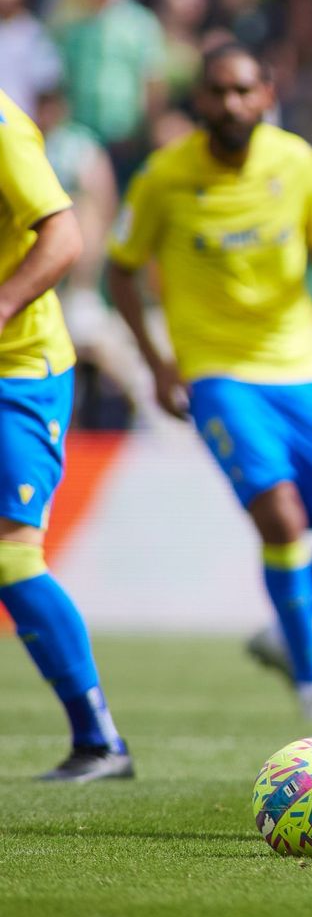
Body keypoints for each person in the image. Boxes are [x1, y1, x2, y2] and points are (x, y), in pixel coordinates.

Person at [106, 43, 312, 726]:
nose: (230, 104)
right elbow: (121, 267)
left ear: (266, 94)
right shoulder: (163, 176)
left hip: (299, 366)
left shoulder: (295, 160)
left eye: (242, 92)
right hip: (219, 373)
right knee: (281, 516)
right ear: (198, 100)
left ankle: (281, 635)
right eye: (216, 93)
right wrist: (157, 360)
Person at [0, 86, 132, 780]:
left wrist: (3, 303)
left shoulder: (2, 125)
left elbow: (65, 235)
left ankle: (100, 740)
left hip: (18, 371)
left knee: (13, 557)